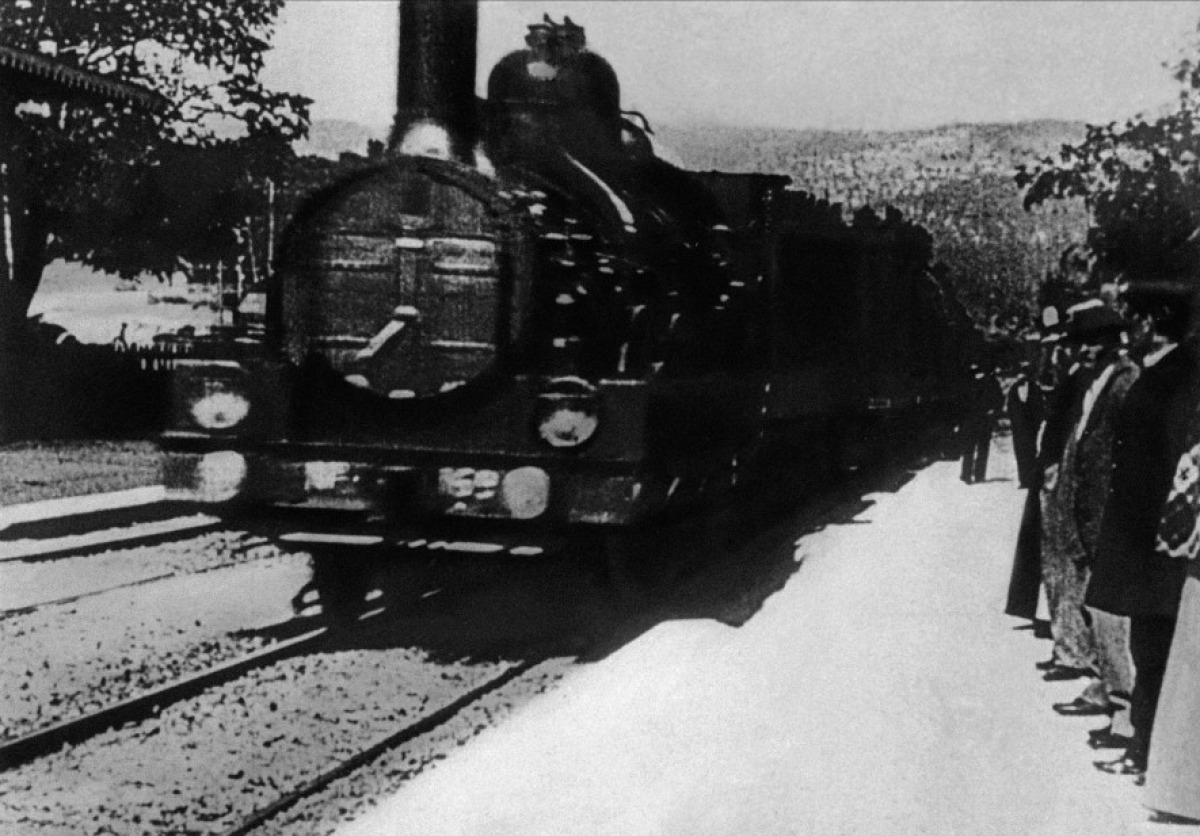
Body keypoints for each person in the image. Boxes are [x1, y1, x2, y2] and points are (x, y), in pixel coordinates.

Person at [1086, 302, 1197, 775]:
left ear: (1152, 324)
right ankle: (1145, 748)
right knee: (1154, 645)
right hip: (1157, 538)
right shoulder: (1170, 372)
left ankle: (1147, 753)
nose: (1131, 328)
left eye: (1136, 319)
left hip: (1158, 540)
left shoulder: (1172, 377)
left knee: (1155, 647)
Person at [959, 364, 1003, 484]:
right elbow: (999, 401)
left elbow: (961, 404)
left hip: (972, 421)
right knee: (982, 449)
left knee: (970, 449)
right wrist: (993, 412)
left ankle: (966, 475)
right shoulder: (991, 383)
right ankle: (979, 475)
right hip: (983, 421)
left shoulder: (967, 384)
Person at [1007, 359, 1044, 489]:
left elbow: (1040, 408)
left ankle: (1032, 479)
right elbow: (1010, 408)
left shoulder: (1035, 388)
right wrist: (1014, 423)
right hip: (1018, 428)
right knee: (1020, 453)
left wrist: (1037, 424)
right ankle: (1023, 480)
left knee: (1031, 452)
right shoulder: (1013, 390)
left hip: (1030, 428)